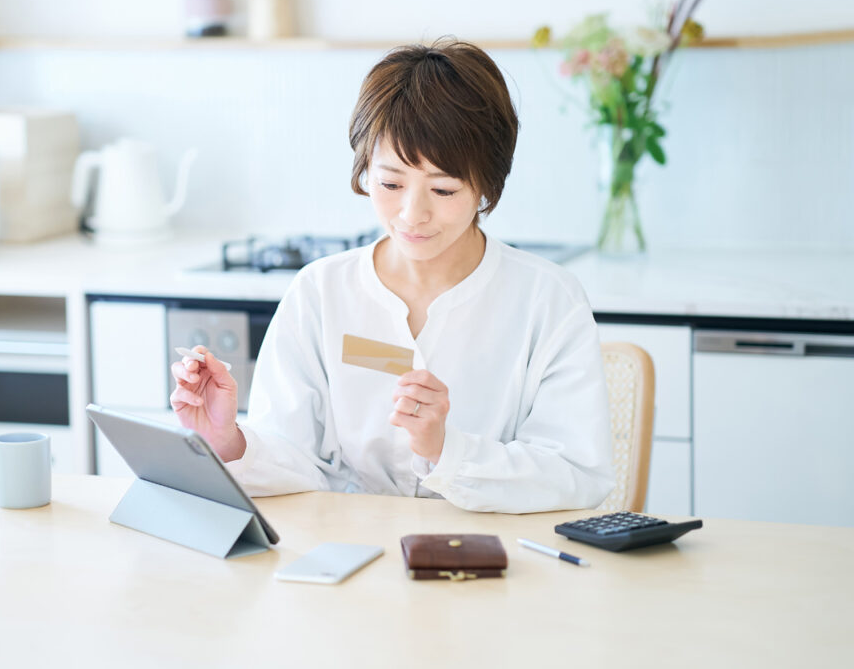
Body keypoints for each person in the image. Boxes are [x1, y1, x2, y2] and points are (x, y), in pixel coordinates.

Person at [171, 38, 614, 513]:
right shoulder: (320, 291)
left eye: (443, 189)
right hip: (353, 556)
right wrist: (230, 440)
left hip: (499, 561)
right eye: (389, 183)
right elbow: (294, 455)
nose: (412, 214)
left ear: (487, 183)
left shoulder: (547, 299)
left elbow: (577, 475)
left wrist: (446, 450)